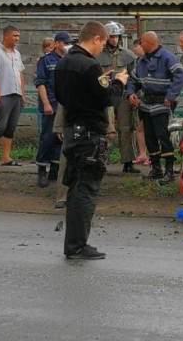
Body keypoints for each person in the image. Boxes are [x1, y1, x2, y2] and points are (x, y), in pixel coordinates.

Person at [54, 21, 128, 260]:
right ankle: (77, 245)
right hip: (89, 135)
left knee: (75, 188)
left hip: (71, 132)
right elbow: (107, 99)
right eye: (103, 43)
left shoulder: (64, 63)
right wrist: (119, 83)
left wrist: (101, 82)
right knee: (86, 189)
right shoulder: (89, 65)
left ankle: (73, 243)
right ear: (96, 39)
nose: (103, 48)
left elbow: (62, 96)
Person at [126, 31, 183, 184]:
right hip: (145, 104)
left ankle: (169, 171)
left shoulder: (168, 57)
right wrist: (130, 93)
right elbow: (133, 79)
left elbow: (180, 76)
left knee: (163, 136)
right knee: (150, 137)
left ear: (150, 42)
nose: (140, 45)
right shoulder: (141, 61)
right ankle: (156, 168)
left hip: (162, 105)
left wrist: (171, 96)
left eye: (142, 43)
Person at [97, 21, 140, 174]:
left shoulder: (128, 55)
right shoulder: (97, 54)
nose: (115, 39)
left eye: (117, 36)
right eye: (112, 36)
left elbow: (134, 77)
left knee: (126, 128)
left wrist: (132, 94)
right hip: (105, 95)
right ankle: (101, 161)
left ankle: (128, 161)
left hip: (122, 96)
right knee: (106, 129)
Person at [0, 25, 26, 169]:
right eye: (15, 36)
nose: (17, 39)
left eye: (18, 36)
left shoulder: (17, 54)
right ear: (6, 36)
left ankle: (6, 158)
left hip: (16, 95)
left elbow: (20, 74)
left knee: (10, 128)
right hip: (4, 95)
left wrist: (23, 95)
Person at [33, 31, 72, 188]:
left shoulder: (70, 60)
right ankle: (42, 169)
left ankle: (55, 170)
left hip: (65, 106)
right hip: (51, 105)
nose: (67, 46)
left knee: (60, 139)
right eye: (64, 43)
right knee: (47, 138)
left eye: (69, 43)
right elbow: (40, 83)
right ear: (56, 43)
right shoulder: (46, 61)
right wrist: (46, 103)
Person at [130, 38, 150, 166]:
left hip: (150, 99)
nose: (134, 49)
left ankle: (153, 155)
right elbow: (133, 81)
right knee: (140, 127)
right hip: (139, 99)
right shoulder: (136, 62)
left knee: (150, 128)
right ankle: (142, 154)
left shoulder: (151, 61)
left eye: (136, 46)